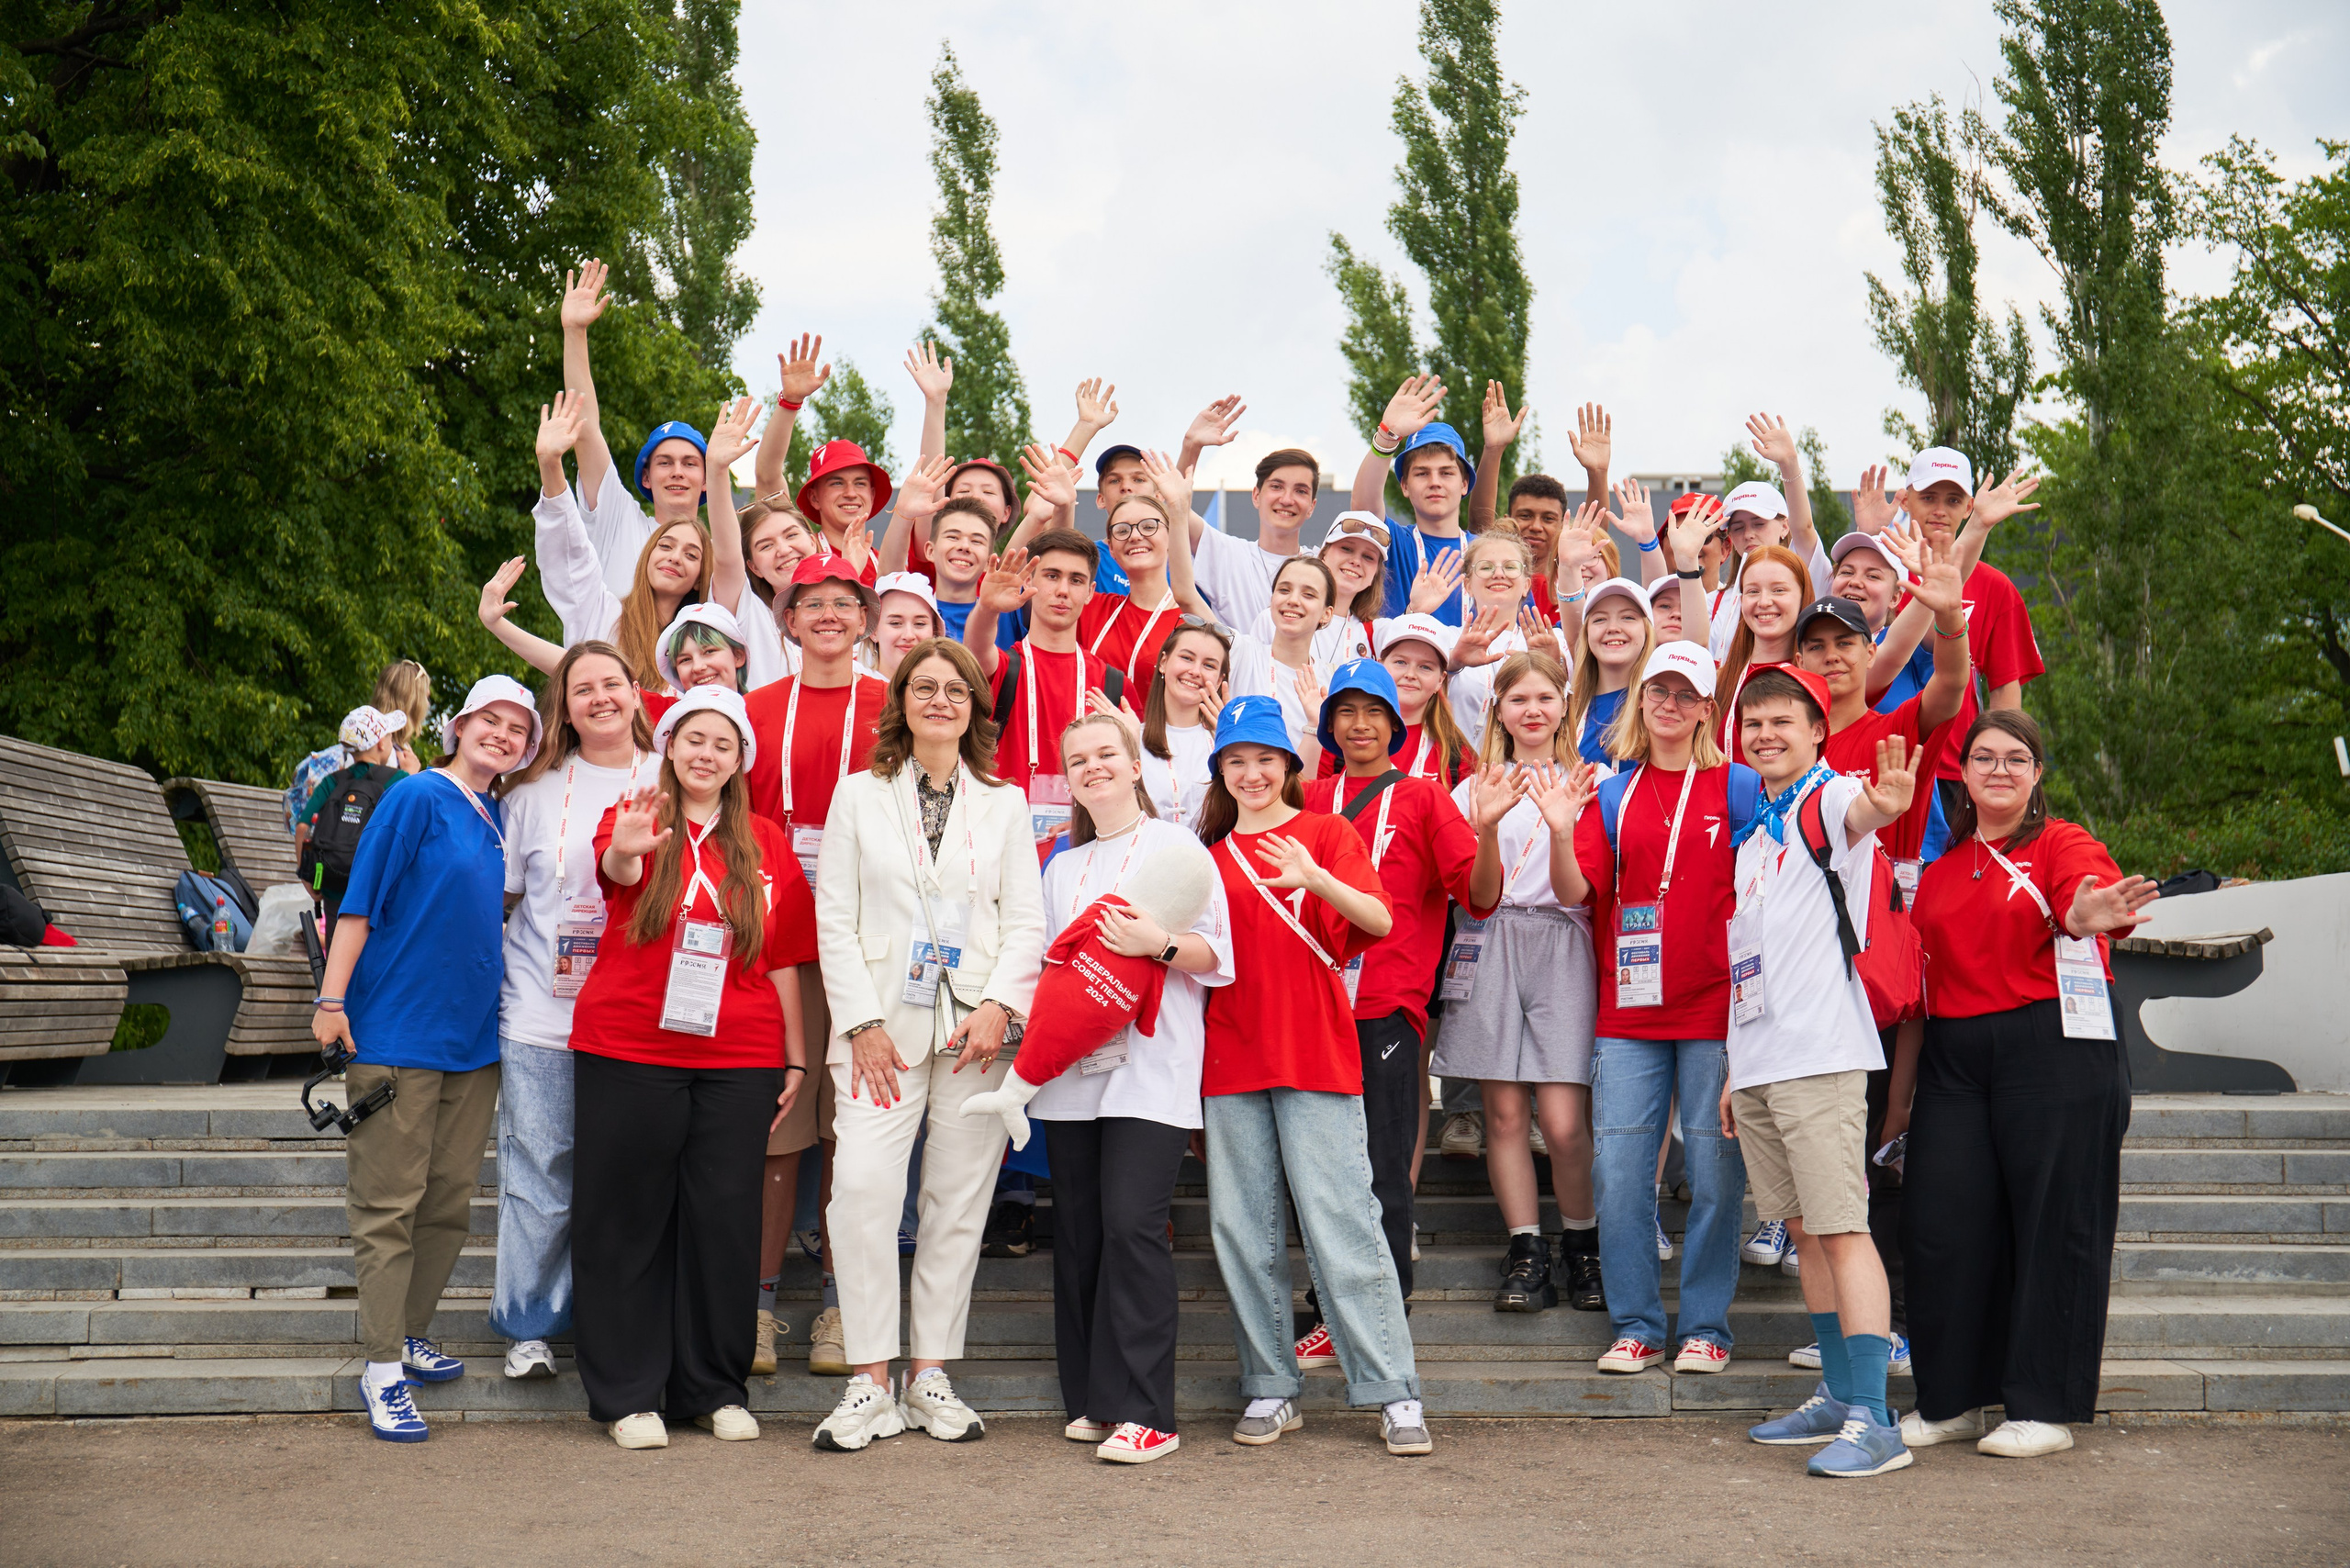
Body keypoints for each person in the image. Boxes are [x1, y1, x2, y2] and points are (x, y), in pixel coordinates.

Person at [808, 640, 1046, 1451]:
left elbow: (1025, 922)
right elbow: (834, 918)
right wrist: (860, 1022)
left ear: (976, 706)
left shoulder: (1005, 803)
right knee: (861, 1195)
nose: (940, 700)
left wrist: (1001, 1005)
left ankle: (930, 1375)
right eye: (924, 687)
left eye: (956, 689)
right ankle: (869, 1381)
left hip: (977, 1035)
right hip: (878, 1033)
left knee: (957, 1203)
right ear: (901, 701)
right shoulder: (858, 795)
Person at [1899, 710, 2154, 1460]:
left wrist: (2085, 912)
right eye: (1985, 757)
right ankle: (1950, 1400)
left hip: (2054, 1044)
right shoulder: (1941, 872)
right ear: (1964, 775)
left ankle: (2043, 1406)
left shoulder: (2061, 842)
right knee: (1942, 1224)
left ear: (2037, 773)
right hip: (1955, 1057)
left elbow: (2083, 895)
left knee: (2054, 1222)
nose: (2000, 770)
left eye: (2017, 758)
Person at [569, 684, 815, 1450]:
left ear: (741, 761)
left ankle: (713, 1387)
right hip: (629, 1043)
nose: (707, 754)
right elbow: (618, 871)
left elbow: (782, 957)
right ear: (670, 746)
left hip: (739, 1053)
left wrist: (796, 1055)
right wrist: (627, 848)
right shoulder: (637, 812)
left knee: (724, 1222)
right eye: (695, 739)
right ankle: (629, 1394)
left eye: (724, 744)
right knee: (626, 1219)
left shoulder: (767, 842)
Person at [997, 712, 1233, 1462]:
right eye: (1078, 760)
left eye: (1106, 754)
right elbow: (1048, 966)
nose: (1093, 767)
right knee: (1080, 1233)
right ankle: (1095, 1401)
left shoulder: (1179, 849)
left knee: (1132, 1226)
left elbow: (1218, 956)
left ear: (1136, 766)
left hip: (1151, 1073)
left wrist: (1156, 944)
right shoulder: (1061, 868)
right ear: (1067, 779)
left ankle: (1148, 1413)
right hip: (1073, 1077)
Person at [310, 675, 541, 1443]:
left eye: (518, 728)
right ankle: (381, 1371)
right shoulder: (415, 796)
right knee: (389, 1207)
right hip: (397, 1034)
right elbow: (360, 900)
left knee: (446, 1204)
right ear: (460, 725)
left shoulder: (498, 814)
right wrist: (332, 1000)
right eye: (490, 720)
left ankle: (409, 1332)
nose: (502, 734)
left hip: (472, 1045)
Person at [1196, 694, 1427, 1456]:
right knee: (1242, 1229)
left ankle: (1392, 1390)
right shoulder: (1206, 855)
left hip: (1316, 1049)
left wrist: (1314, 877)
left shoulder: (1326, 831)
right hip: (1229, 1055)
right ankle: (1270, 1385)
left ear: (1290, 766)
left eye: (1266, 759)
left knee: (1344, 1219)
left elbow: (1380, 920)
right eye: (1237, 761)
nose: (1252, 773)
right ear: (1220, 771)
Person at [1719, 666, 1919, 1479]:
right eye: (1754, 723)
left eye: (1782, 721)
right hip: (1762, 1063)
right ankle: (1838, 1395)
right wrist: (1734, 1069)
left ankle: (1875, 1418)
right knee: (1804, 1234)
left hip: (1822, 1056)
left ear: (1815, 731)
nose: (1765, 734)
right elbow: (1749, 961)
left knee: (1841, 1229)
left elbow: (1863, 811)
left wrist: (1885, 804)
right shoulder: (1755, 834)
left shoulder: (1828, 800)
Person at [1550, 642, 1759, 1375]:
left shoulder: (1740, 786)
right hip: (1630, 1013)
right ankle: (1635, 1324)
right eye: (1657, 692)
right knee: (1618, 1173)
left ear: (1707, 708)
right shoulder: (1614, 794)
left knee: (1715, 1173)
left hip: (1714, 1009)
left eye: (1684, 694)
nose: (1669, 705)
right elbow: (1575, 892)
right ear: (1640, 700)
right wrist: (1559, 829)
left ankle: (1706, 1327)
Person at [1290, 663, 1493, 1369]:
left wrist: (1491, 831)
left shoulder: (1424, 797)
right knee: (1317, 1172)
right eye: (1345, 711)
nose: (1360, 724)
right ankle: (1329, 1307)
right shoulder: (1307, 798)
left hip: (1387, 1008)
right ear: (1328, 727)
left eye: (1374, 710)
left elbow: (1479, 895)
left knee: (1381, 1168)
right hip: (1310, 1008)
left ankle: (1382, 1315)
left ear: (1395, 723)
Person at [488, 642, 654, 1383]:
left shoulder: (671, 777)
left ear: (637, 693)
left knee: (625, 1175)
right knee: (540, 1169)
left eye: (611, 683)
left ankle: (612, 1320)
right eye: (582, 688)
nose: (600, 698)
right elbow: (500, 902)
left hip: (641, 1020)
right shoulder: (530, 794)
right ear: (564, 707)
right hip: (540, 1014)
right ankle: (529, 1324)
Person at [742, 554, 890, 1374]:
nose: (829, 614)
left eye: (844, 601)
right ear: (788, 620)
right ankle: (758, 1309)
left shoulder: (895, 703)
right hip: (778, 946)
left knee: (852, 1134)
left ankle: (840, 1310)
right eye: (812, 603)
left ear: (865, 618)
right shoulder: (755, 708)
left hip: (870, 944)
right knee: (780, 1132)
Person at [1437, 653, 1603, 1314]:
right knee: (1505, 1115)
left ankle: (1583, 1244)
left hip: (1563, 939)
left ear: (1564, 706)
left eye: (1544, 697)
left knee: (1561, 1122)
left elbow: (1580, 890)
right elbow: (1476, 895)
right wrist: (1485, 829)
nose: (1532, 710)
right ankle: (1526, 1248)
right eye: (1518, 699)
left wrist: (1562, 830)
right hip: (1491, 936)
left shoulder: (1593, 780)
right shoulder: (1472, 787)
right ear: (1497, 711)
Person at [1854, 451, 2046, 820]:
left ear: (1969, 506)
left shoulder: (1996, 587)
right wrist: (1869, 535)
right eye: (1929, 498)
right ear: (1906, 500)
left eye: (1954, 500)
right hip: (1878, 761)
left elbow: (2005, 690)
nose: (1940, 510)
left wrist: (1997, 764)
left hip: (1954, 772)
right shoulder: (1877, 578)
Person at [961, 530, 1120, 848]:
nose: (1063, 590)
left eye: (1076, 580)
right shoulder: (1006, 667)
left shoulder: (1113, 683)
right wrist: (987, 609)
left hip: (1086, 850)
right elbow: (976, 653)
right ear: (1028, 581)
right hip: (1003, 848)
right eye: (1052, 576)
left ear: (1091, 592)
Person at [1470, 389, 1617, 620]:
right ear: (1508, 519)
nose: (1536, 526)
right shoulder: (1494, 578)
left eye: (1548, 518)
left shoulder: (1572, 582)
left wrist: (1597, 473)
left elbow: (1593, 534)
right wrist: (1493, 450)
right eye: (1525, 515)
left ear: (1561, 527)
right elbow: (1480, 525)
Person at [1701, 415, 1834, 658]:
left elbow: (1804, 529)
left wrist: (1789, 464)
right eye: (1738, 528)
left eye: (1759, 523)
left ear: (1784, 526)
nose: (1748, 534)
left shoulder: (1805, 574)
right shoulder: (1715, 602)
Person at [1351, 375, 1473, 625]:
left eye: (1446, 473)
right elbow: (1364, 510)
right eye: (1422, 473)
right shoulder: (1395, 543)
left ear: (1464, 484)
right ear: (1405, 486)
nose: (1435, 482)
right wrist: (1387, 436)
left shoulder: (1486, 551)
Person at [293, 705, 415, 943]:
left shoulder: (332, 782)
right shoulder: (398, 779)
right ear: (381, 743)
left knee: (335, 953)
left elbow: (302, 827)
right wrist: (412, 773)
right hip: (376, 890)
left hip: (334, 885)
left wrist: (307, 877)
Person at [1221, 555, 1348, 767]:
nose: (1293, 600)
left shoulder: (1332, 682)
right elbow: (1187, 597)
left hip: (1304, 787)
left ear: (1327, 614)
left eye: (1308, 594)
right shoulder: (1240, 651)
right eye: (1284, 590)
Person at [1182, 442, 1323, 624]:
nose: (1287, 500)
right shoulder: (1227, 554)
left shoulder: (1323, 566)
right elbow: (1176, 507)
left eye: (1300, 491)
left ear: (1312, 507)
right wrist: (1192, 446)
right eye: (1276, 487)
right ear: (1256, 496)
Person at [284, 660, 429, 832]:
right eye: (426, 697)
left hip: (325, 844)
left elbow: (302, 826)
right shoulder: (390, 758)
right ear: (415, 703)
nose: (428, 705)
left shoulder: (351, 749)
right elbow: (396, 818)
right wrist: (410, 778)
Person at [1138, 620, 1232, 832]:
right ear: (1164, 662)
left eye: (1209, 665)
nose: (1195, 671)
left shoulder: (1227, 742)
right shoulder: (1131, 737)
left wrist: (1232, 741)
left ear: (1219, 681)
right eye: (1187, 658)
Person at [1564, 577, 1657, 772]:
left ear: (1647, 631)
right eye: (1600, 619)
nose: (1613, 628)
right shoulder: (1565, 708)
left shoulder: (1660, 704)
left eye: (1628, 617)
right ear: (1586, 634)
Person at [871, 572, 946, 679]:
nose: (909, 635)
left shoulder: (951, 687)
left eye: (920, 624)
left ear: (934, 631)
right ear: (873, 630)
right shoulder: (854, 686)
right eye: (895, 623)